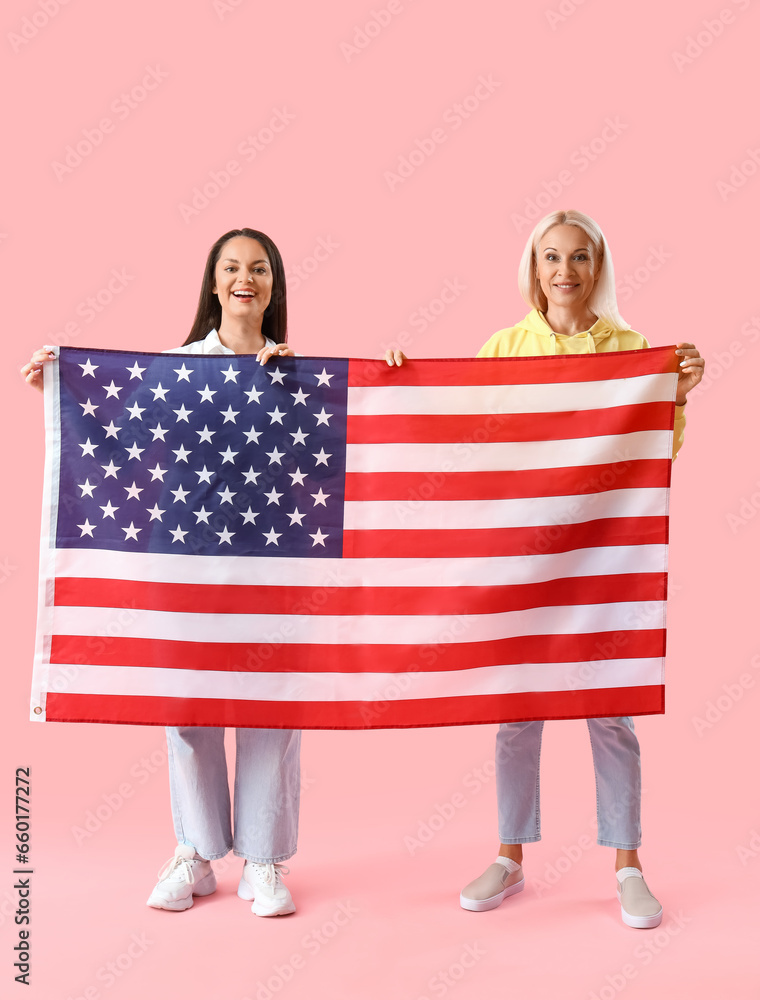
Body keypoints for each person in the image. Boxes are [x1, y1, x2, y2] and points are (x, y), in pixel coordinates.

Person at [385, 209, 704, 929]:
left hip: (599, 556)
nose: (565, 271)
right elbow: (463, 435)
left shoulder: (631, 348)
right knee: (515, 710)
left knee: (610, 709)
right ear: (534, 268)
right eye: (551, 257)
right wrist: (400, 381)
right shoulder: (504, 347)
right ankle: (509, 856)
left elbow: (656, 453)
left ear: (598, 267)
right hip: (521, 559)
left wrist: (676, 393)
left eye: (580, 258)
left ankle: (627, 864)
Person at [22, 227, 302, 917]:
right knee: (188, 702)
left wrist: (313, 386)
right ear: (213, 283)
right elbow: (116, 433)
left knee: (273, 707)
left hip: (272, 562)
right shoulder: (176, 368)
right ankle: (198, 852)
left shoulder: (298, 372)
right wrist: (62, 384)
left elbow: (327, 462)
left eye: (260, 268)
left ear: (275, 286)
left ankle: (262, 861)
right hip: (185, 556)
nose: (246, 278)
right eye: (232, 267)